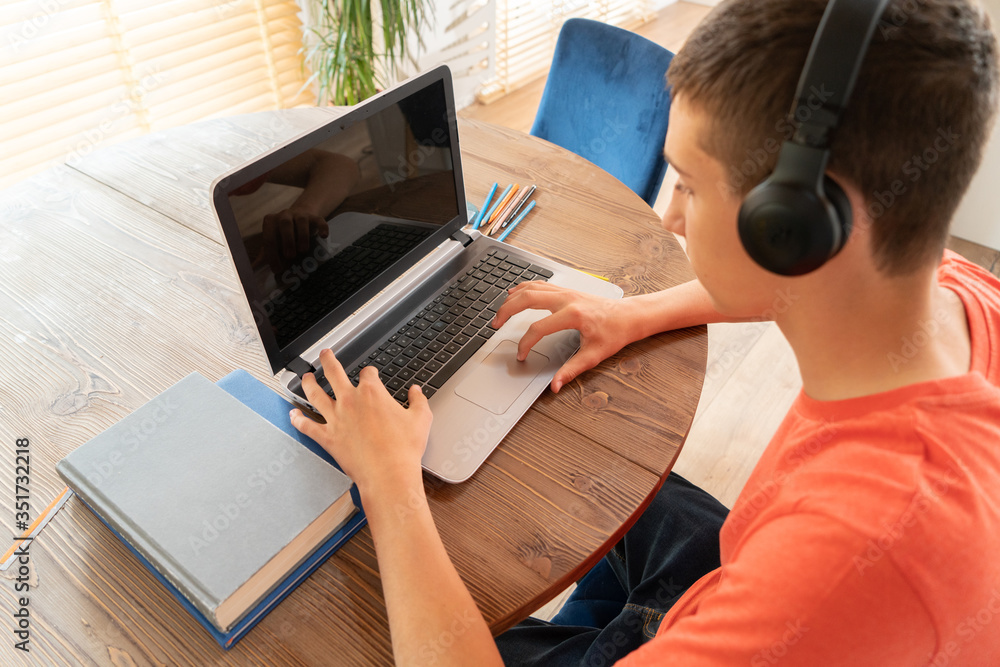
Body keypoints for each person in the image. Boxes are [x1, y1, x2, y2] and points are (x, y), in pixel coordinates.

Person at [288, 0, 1000, 663]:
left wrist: (390, 484)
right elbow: (812, 288)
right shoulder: (956, 294)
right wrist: (628, 312)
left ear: (794, 229)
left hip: (762, 598)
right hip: (738, 569)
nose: (671, 218)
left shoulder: (854, 558)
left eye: (688, 182)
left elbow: (821, 591)